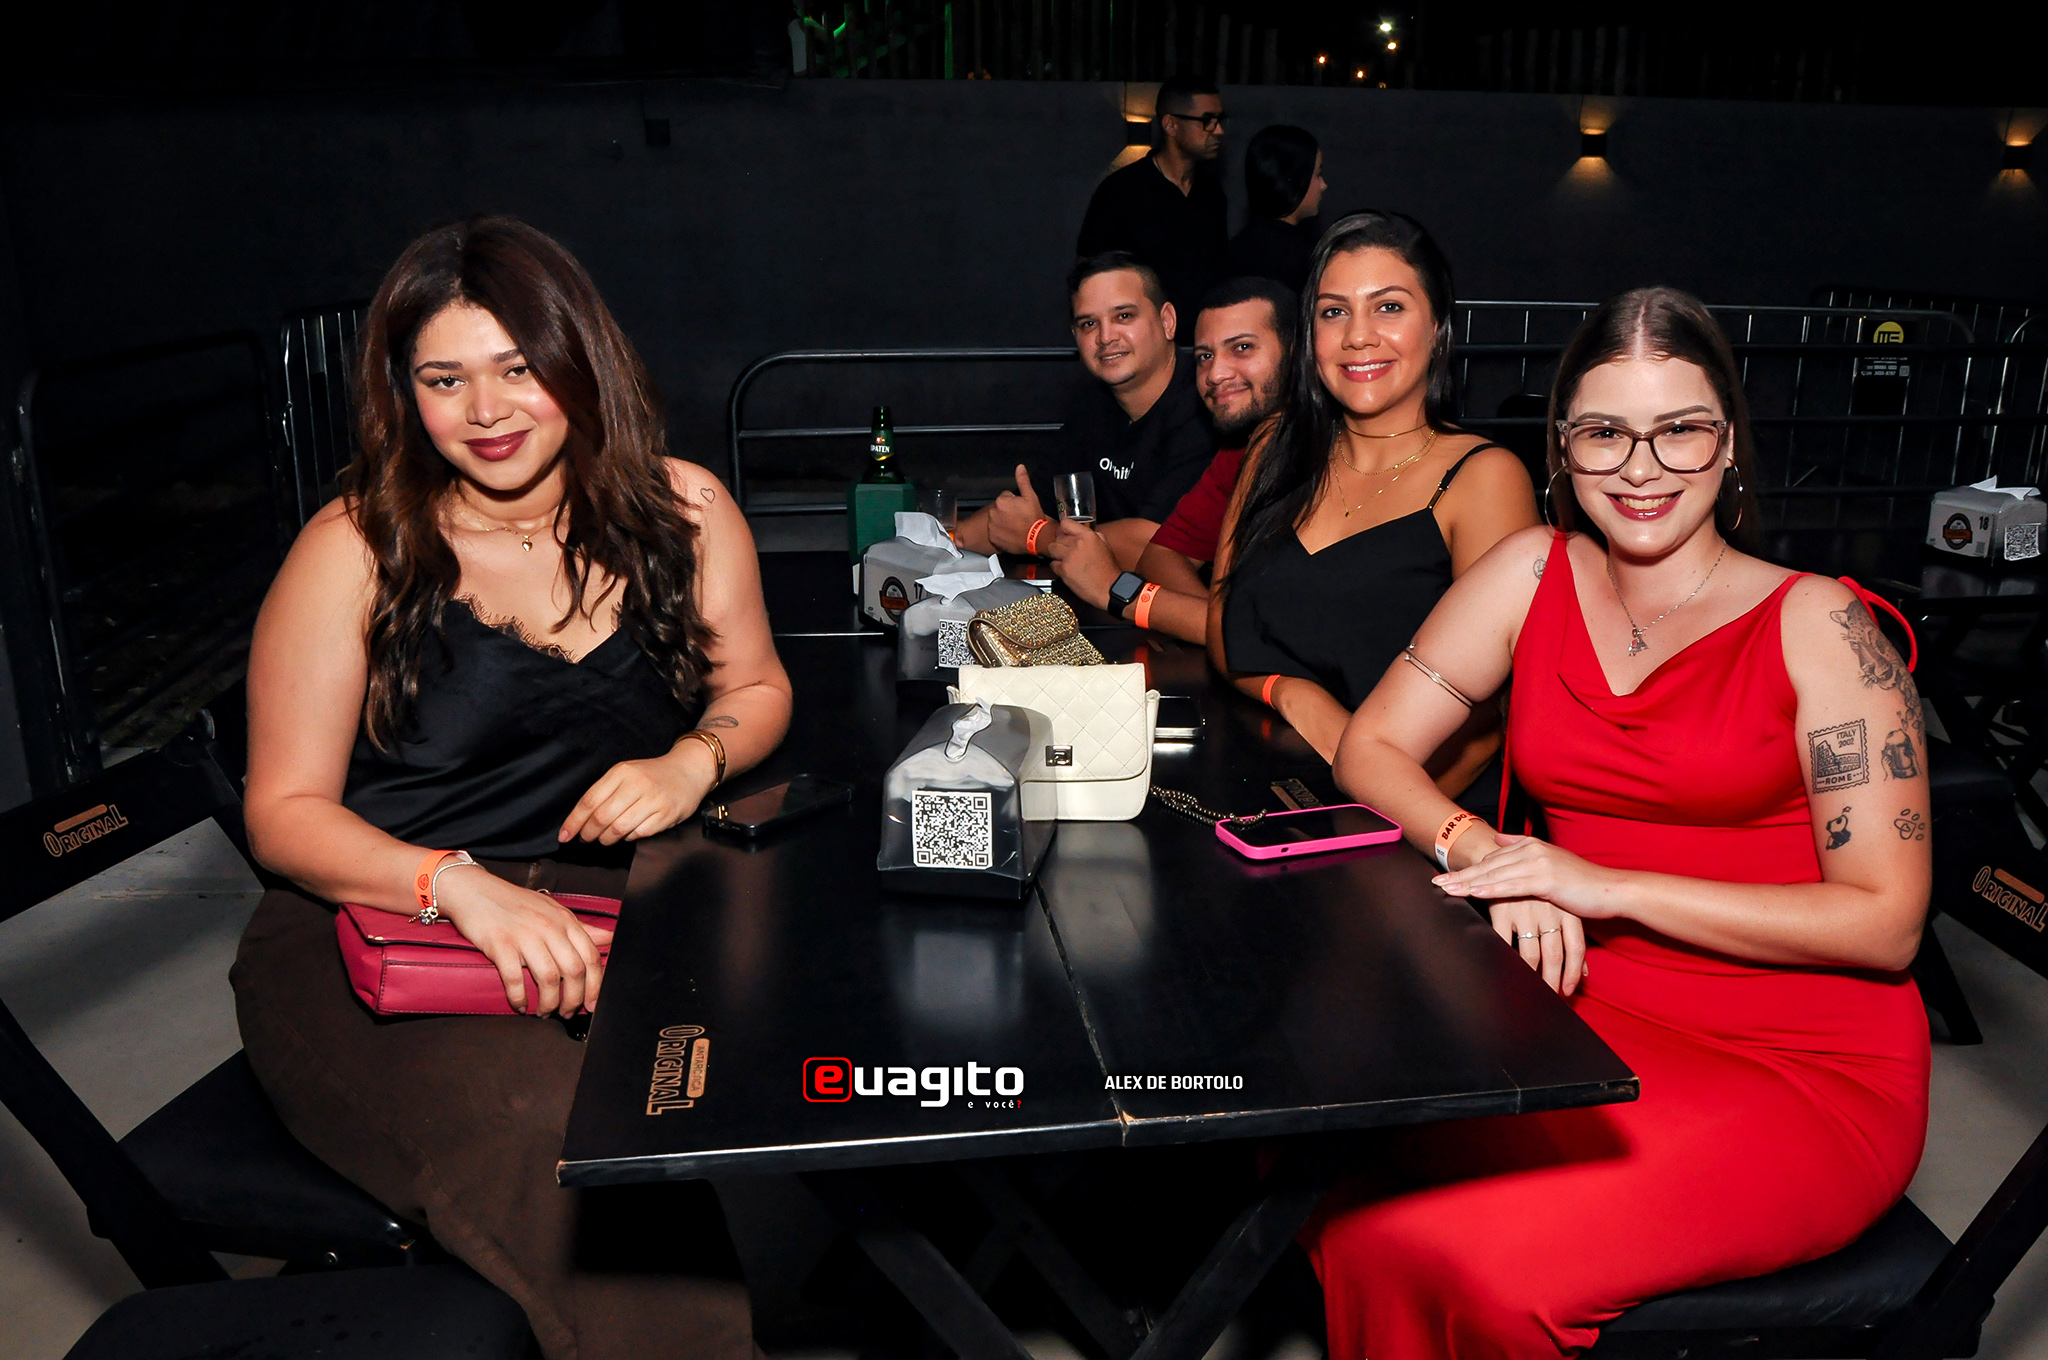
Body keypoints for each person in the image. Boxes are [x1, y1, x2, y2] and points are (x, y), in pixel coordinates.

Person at [1312, 286, 1931, 1359]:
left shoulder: (1819, 624)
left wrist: (1600, 885)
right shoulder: (1530, 571)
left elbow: (1886, 924)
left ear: (1727, 440)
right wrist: (1488, 850)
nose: (1640, 467)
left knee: (1460, 1259)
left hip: (1801, 1061)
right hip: (1578, 1007)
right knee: (1329, 1170)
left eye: (1678, 428)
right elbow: (1369, 746)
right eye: (1604, 432)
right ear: (1562, 444)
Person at [233, 217, 792, 1360]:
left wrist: (689, 759)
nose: (485, 410)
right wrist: (456, 885)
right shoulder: (355, 548)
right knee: (570, 1140)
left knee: (837, 1019)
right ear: (405, 394)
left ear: (580, 359)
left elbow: (757, 687)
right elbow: (281, 814)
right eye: (444, 379)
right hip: (379, 928)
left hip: (607, 907)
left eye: (517, 367)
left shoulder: (683, 511)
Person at [1211, 211, 1536, 791]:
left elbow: (1489, 723)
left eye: (1388, 307)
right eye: (1334, 312)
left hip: (1416, 809)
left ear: (1436, 327)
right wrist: (1294, 693)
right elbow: (1224, 628)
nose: (1357, 336)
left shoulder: (1484, 478)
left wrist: (1377, 818)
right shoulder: (1274, 447)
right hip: (1270, 786)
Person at [1046, 275, 1295, 645]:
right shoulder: (1242, 450)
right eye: (1205, 357)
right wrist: (1211, 624)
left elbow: (1284, 639)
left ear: (1298, 352)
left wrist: (1117, 592)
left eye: (1242, 348)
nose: (1216, 374)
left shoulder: (1334, 452)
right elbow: (1160, 555)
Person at [955, 252, 1216, 571]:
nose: (1106, 337)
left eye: (1124, 316)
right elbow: (1014, 518)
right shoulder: (1094, 406)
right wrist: (943, 541)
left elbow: (1161, 548)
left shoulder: (1207, 404)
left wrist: (1038, 535)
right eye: (1089, 324)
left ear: (1167, 321)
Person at [1075, 73, 1229, 321]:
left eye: (1220, 120)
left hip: (1199, 336)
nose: (1218, 130)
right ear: (1170, 125)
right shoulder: (1121, 191)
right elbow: (1087, 271)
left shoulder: (1211, 193)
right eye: (1207, 121)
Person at [1225, 125, 1326, 294]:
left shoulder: (1237, 250)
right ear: (1295, 179)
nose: (1323, 185)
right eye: (1317, 174)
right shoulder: (1300, 260)